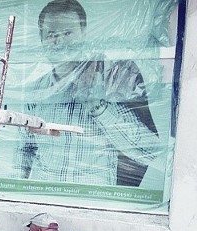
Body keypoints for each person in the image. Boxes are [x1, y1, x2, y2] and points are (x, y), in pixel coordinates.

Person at [13, 0, 163, 187]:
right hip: (45, 200)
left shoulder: (112, 79)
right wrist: (17, 191)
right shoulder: (36, 91)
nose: (59, 42)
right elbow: (24, 148)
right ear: (42, 39)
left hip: (92, 202)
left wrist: (99, 107)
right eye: (51, 35)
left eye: (68, 33)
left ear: (84, 33)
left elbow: (149, 152)